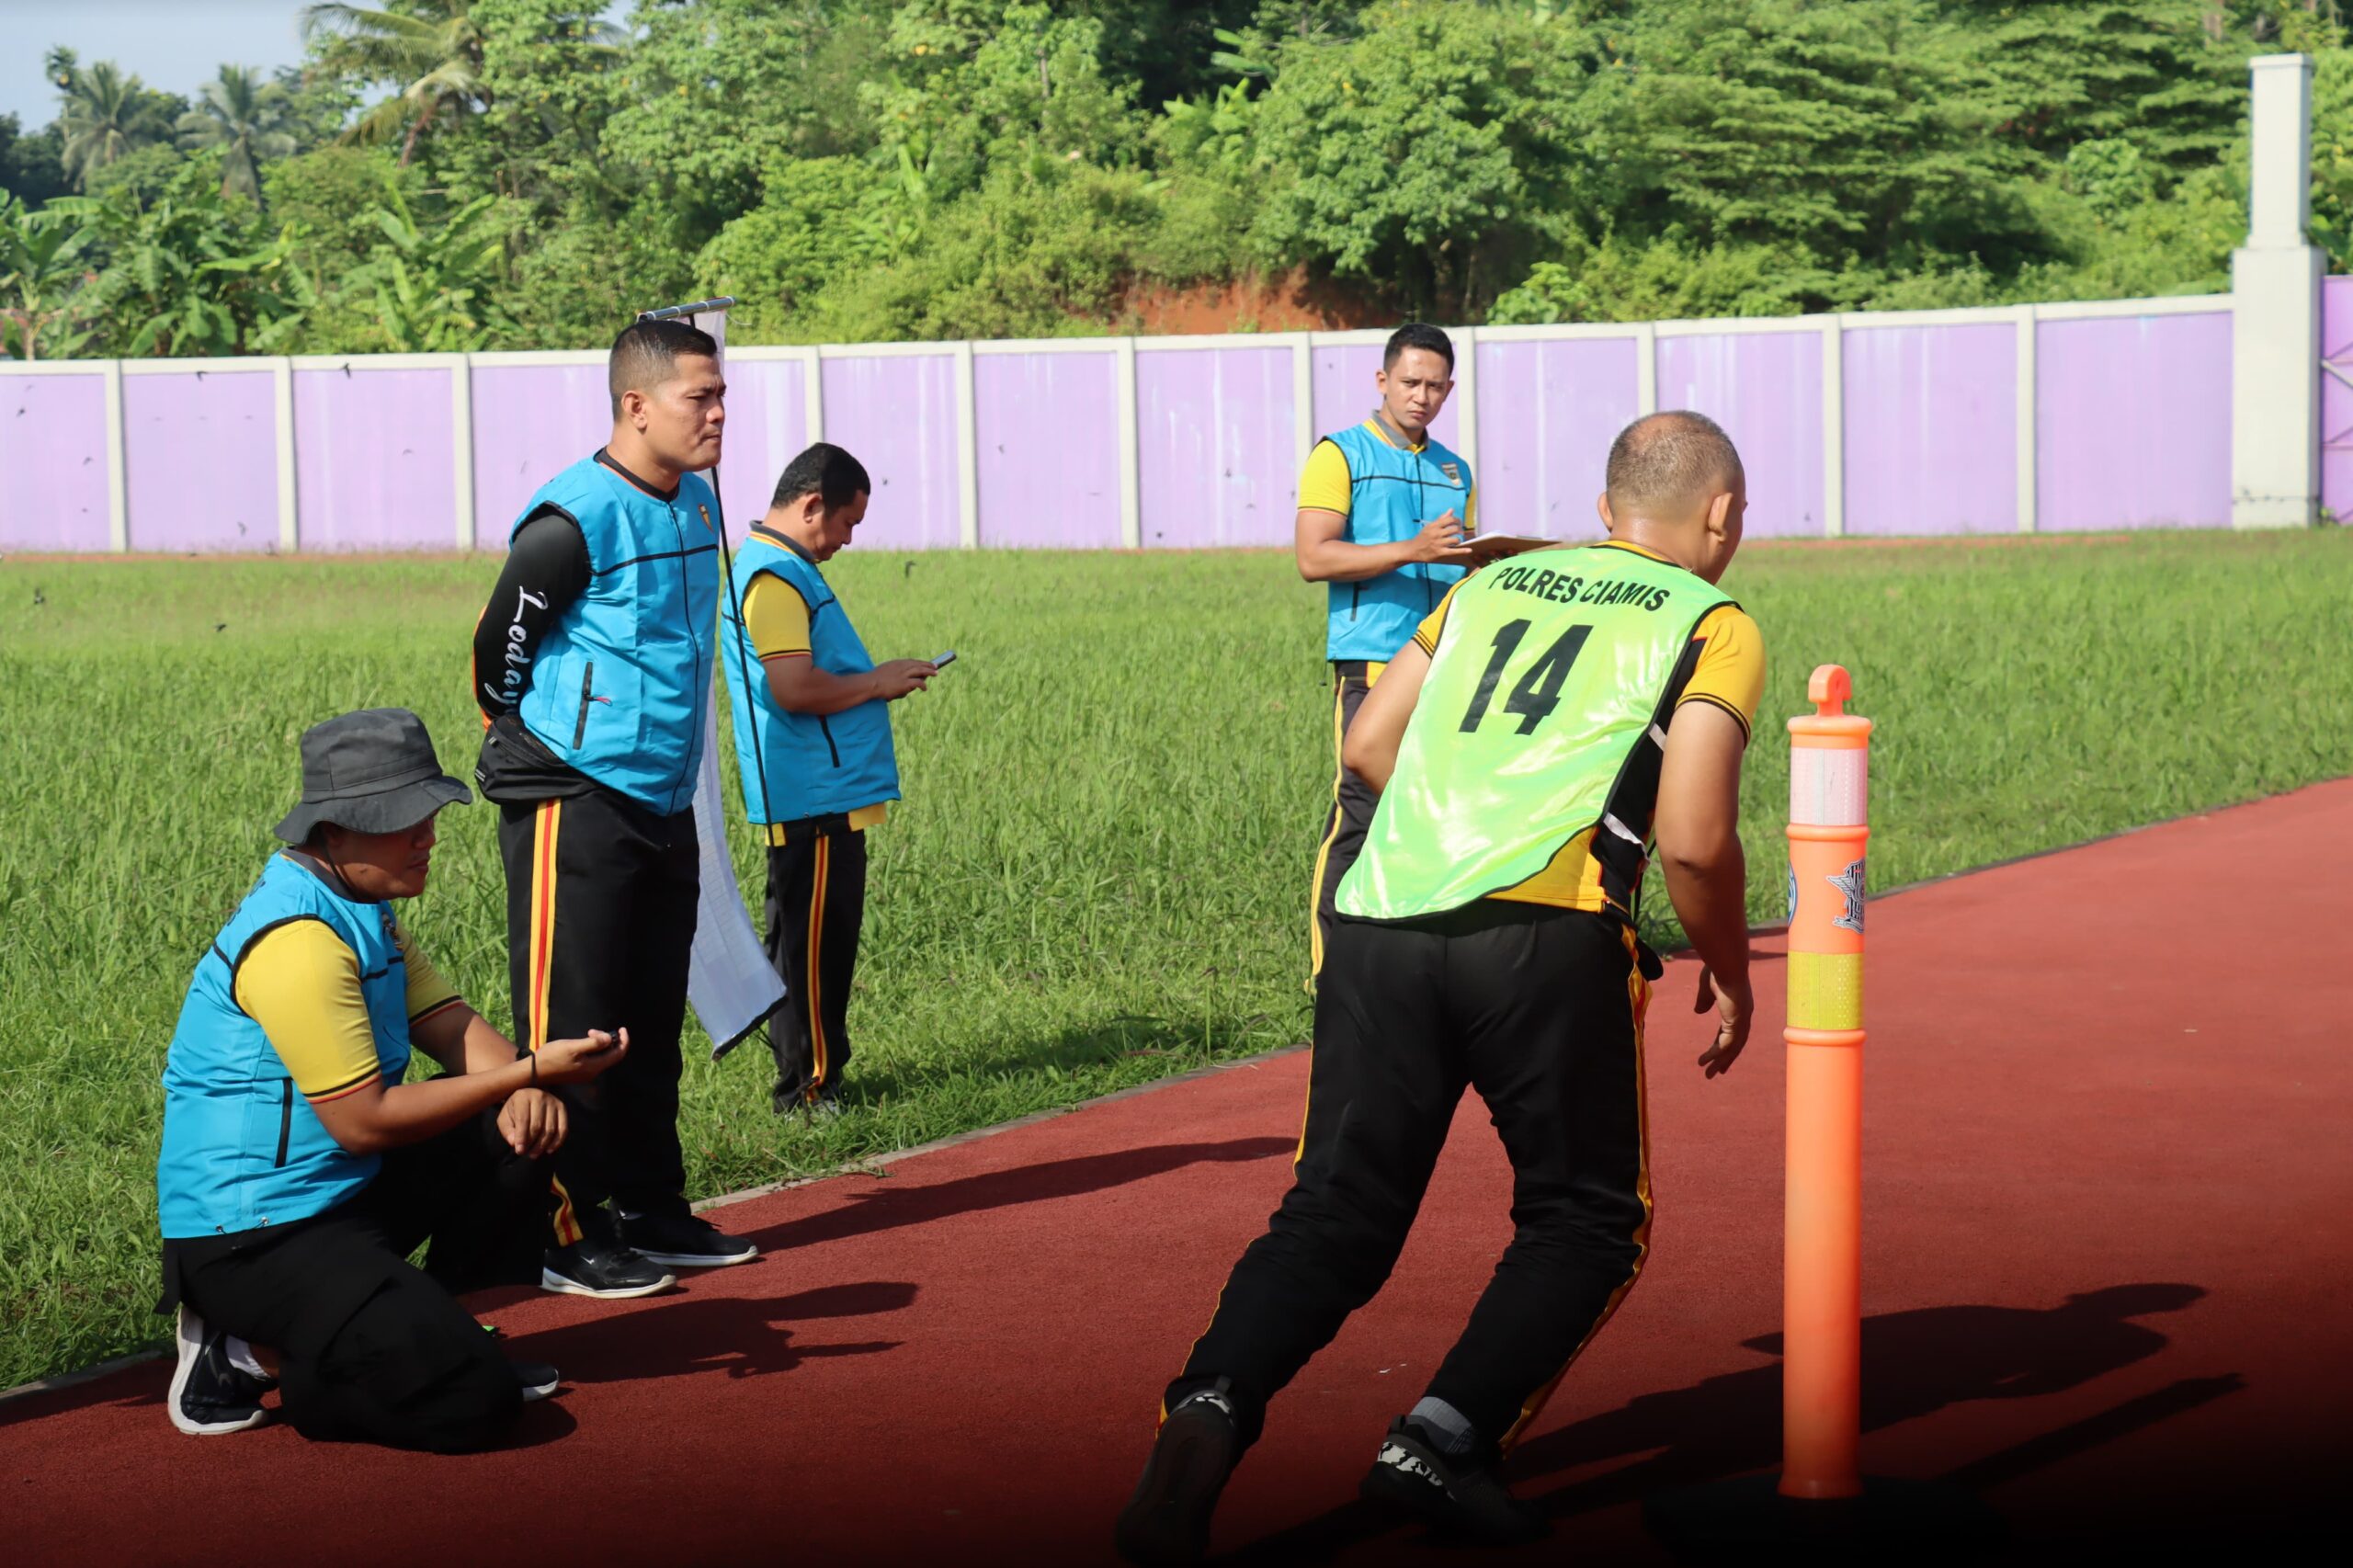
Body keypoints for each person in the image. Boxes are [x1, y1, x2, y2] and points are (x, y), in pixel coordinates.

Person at [1117, 412, 1767, 1563]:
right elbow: (1693, 837)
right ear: (1721, 515)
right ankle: (1441, 1439)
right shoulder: (1711, 622)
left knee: (1334, 1211)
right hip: (1545, 930)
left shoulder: (1487, 585)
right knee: (1585, 1218)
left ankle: (1206, 1406)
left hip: (1379, 916)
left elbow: (1367, 745)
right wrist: (1729, 965)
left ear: (1605, 504)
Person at [156, 708, 627, 1452]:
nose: (427, 837)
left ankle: (419, 1328)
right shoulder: (299, 943)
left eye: (428, 815)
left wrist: (525, 1085)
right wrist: (532, 1069)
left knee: (520, 1127)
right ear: (334, 834)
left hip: (343, 1198)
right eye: (401, 821)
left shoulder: (363, 907)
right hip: (255, 1239)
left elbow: (451, 1027)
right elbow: (363, 1123)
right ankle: (249, 1353)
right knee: (476, 1403)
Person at [468, 316, 756, 1293]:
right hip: (576, 798)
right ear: (636, 406)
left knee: (648, 1020)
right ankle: (564, 1228)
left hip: (665, 801)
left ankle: (649, 1207)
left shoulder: (698, 503)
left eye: (721, 396)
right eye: (698, 398)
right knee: (574, 1024)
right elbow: (498, 648)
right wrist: (534, 744)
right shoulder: (573, 518)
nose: (718, 415)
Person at [717, 442, 937, 1118]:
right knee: (813, 952)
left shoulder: (781, 567)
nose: (847, 539)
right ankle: (810, 1091)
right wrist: (878, 682)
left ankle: (809, 1079)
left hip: (817, 791)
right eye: (846, 522)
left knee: (806, 946)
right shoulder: (776, 577)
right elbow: (793, 687)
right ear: (812, 504)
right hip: (811, 795)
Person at [1294, 322, 1479, 984]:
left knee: (1430, 810)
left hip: (1444, 666)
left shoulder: (1455, 469)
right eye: (1410, 382)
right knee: (1362, 810)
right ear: (1382, 380)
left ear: (1450, 389)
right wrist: (1412, 550)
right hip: (1372, 663)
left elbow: (1458, 561)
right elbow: (1314, 557)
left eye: (1435, 386)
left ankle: (1412, 968)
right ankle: (1330, 977)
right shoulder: (1338, 455)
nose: (1422, 397)